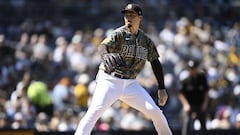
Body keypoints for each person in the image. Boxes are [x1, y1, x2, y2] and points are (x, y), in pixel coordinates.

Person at [74, 3, 172, 135]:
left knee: (155, 111)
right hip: (110, 80)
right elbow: (102, 46)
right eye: (126, 15)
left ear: (140, 17)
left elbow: (155, 62)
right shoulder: (120, 33)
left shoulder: (146, 40)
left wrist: (161, 88)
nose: (128, 18)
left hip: (131, 84)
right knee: (94, 112)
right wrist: (105, 55)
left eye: (132, 15)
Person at [178, 60, 209, 135]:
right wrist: (186, 104)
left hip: (200, 104)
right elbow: (180, 94)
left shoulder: (202, 78)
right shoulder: (186, 80)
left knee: (203, 123)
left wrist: (205, 104)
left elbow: (206, 92)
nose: (192, 70)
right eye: (190, 68)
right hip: (190, 105)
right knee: (187, 120)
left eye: (193, 68)